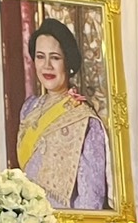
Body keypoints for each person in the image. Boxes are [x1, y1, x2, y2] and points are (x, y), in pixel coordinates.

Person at [16, 17, 110, 211]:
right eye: (40, 56)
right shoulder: (29, 108)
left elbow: (91, 198)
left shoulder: (85, 120)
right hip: (29, 219)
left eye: (55, 58)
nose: (47, 66)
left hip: (64, 222)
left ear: (68, 62)